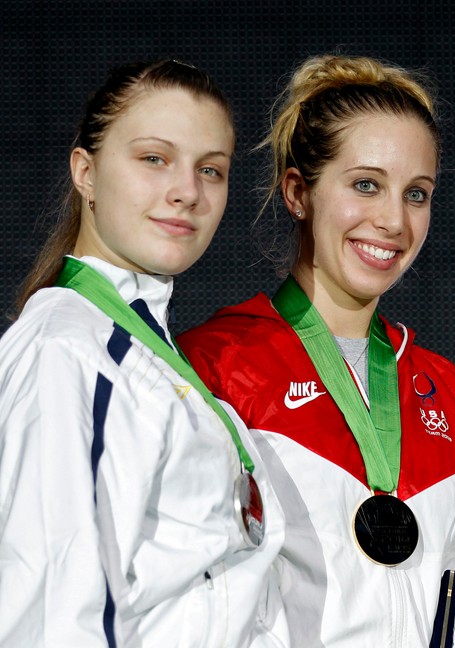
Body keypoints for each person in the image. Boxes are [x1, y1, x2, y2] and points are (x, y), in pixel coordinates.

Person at [178, 54, 455, 648]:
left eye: (417, 193)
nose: (394, 220)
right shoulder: (213, 370)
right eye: (366, 185)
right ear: (299, 192)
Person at [0, 61, 288, 646]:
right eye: (154, 158)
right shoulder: (69, 349)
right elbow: (51, 608)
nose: (187, 191)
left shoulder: (135, 345)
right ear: (86, 171)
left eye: (211, 169)